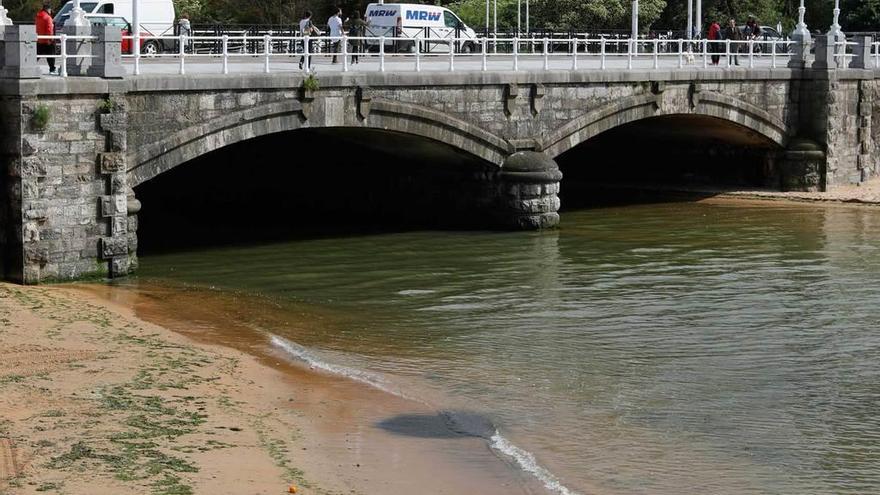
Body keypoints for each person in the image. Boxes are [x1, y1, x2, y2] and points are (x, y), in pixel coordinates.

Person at [35, 3, 56, 74]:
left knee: (36, 55)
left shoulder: (38, 17)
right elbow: (49, 29)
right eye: (50, 10)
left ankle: (29, 65)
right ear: (48, 9)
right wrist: (51, 39)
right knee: (51, 55)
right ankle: (52, 69)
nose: (50, 11)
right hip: (47, 40)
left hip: (39, 39)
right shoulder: (48, 17)